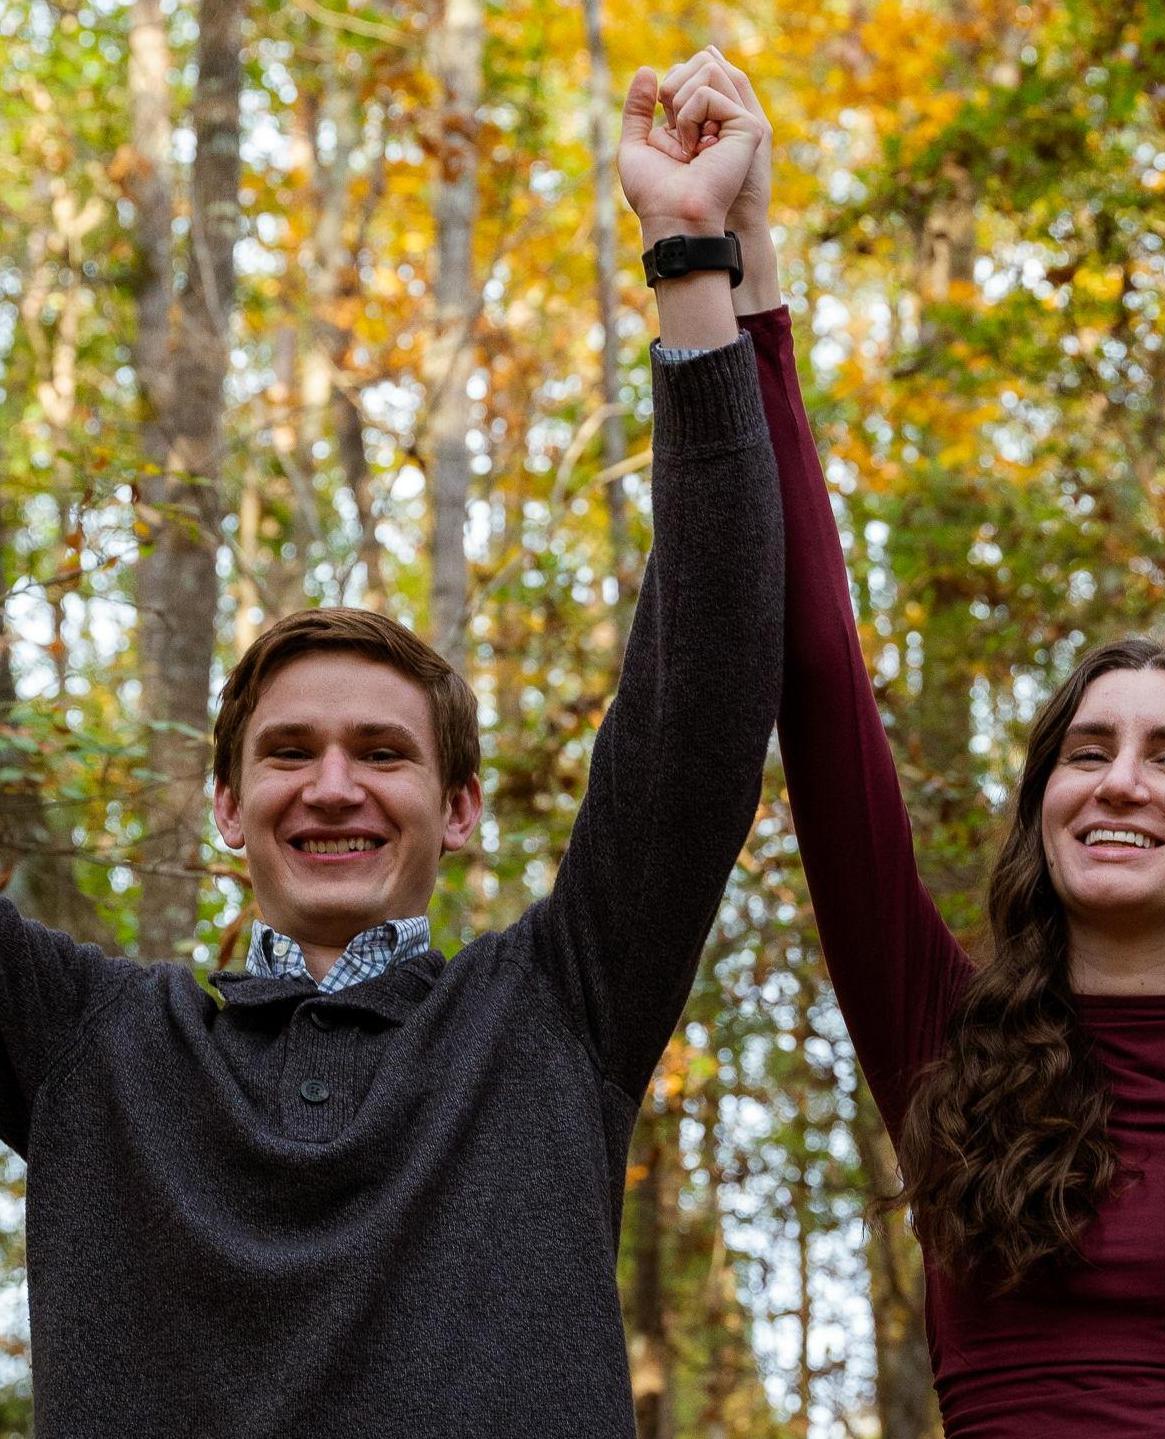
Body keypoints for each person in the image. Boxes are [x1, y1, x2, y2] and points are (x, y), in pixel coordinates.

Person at [654, 46, 1165, 1437]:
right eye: (1083, 752)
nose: (1118, 780)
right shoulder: (941, 1035)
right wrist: (722, 259)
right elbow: (821, 680)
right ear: (1040, 812)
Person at [0, 64, 781, 1439]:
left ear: (461, 808)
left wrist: (690, 260)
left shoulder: (551, 1012)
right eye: (290, 755)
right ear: (228, 809)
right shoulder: (87, 1047)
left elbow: (704, 692)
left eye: (383, 752)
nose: (336, 786)